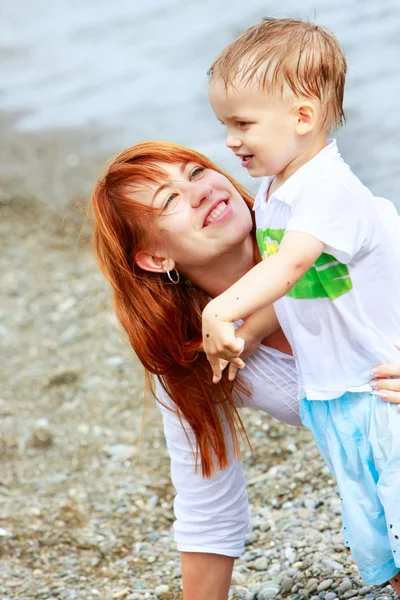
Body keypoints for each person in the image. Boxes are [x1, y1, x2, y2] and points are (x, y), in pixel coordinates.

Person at [91, 140, 400, 599]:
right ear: (156, 259)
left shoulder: (345, 229)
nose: (198, 191)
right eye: (170, 200)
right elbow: (207, 508)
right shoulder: (200, 355)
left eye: (196, 172)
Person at [204, 17, 400, 591]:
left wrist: (221, 312)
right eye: (224, 124)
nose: (230, 140)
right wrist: (251, 333)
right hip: (334, 391)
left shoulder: (327, 189)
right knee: (375, 529)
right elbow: (306, 295)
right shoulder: (276, 189)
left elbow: (288, 268)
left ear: (303, 116)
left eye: (242, 123)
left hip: (378, 386)